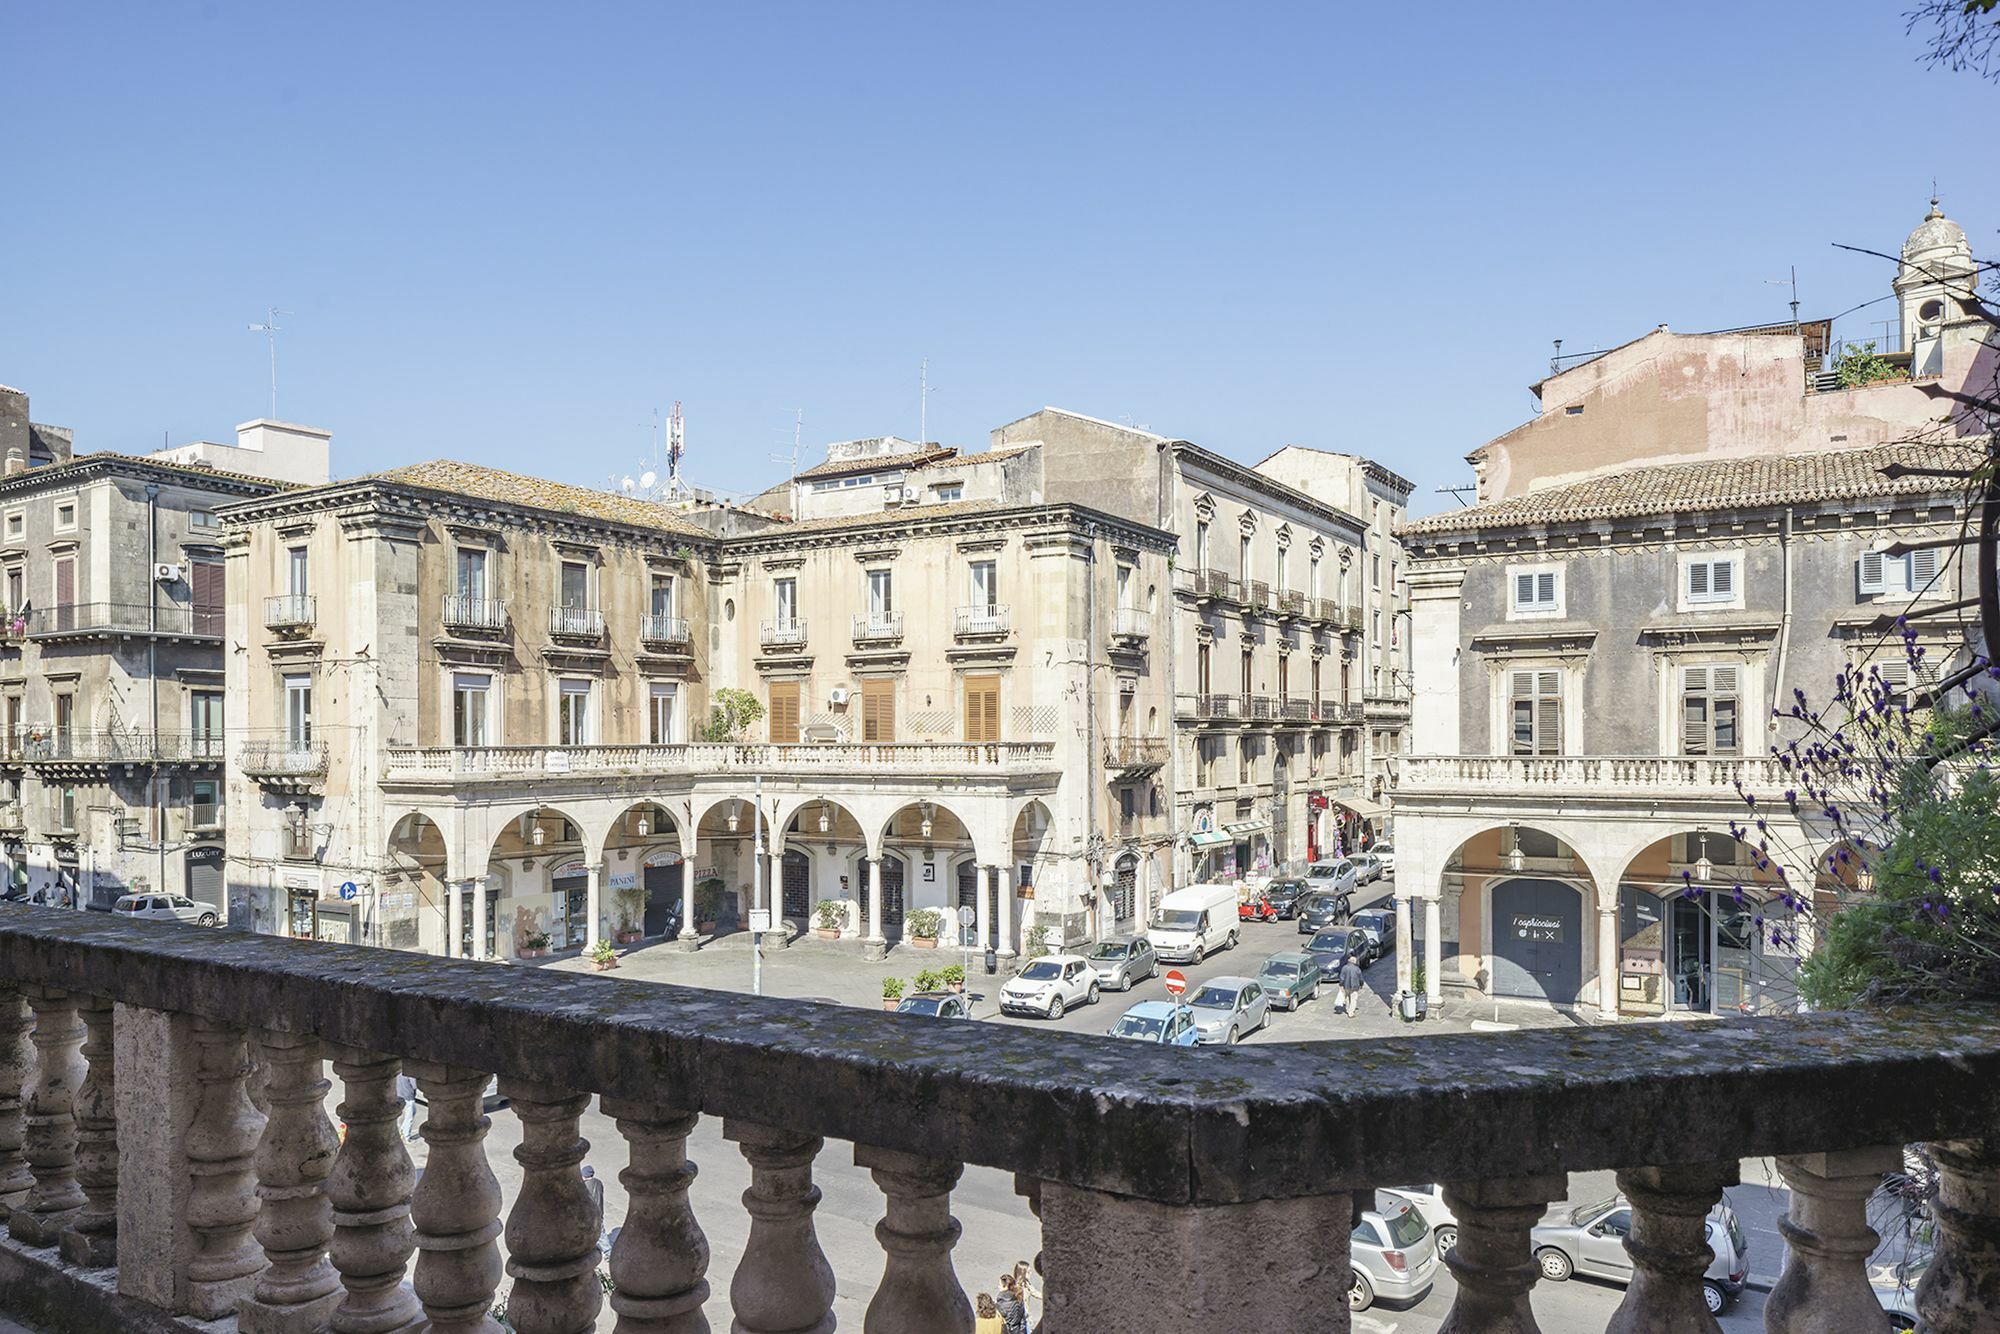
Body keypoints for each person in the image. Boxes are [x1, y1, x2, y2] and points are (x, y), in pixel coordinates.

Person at [394, 1072, 420, 1141]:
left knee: (407, 1113)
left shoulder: (398, 1072)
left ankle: (402, 1129)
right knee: (410, 1116)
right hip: (408, 1096)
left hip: (399, 1095)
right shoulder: (410, 1073)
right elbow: (415, 1085)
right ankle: (407, 1136)